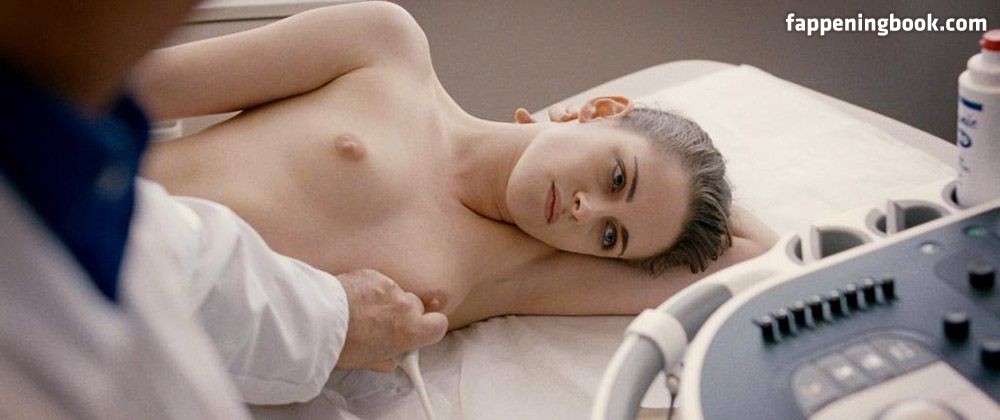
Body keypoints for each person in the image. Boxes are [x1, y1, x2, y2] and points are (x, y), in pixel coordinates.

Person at [133, 1, 780, 331]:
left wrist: (675, 201)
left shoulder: (514, 273)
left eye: (611, 236)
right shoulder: (384, 48)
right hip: (99, 225)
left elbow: (758, 256)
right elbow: (122, 89)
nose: (587, 212)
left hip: (140, 343)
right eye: (617, 177)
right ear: (602, 110)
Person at [0, 1, 446, 417]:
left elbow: (184, 257)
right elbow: (115, 85)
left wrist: (334, 320)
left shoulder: (88, 164)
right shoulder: (387, 46)